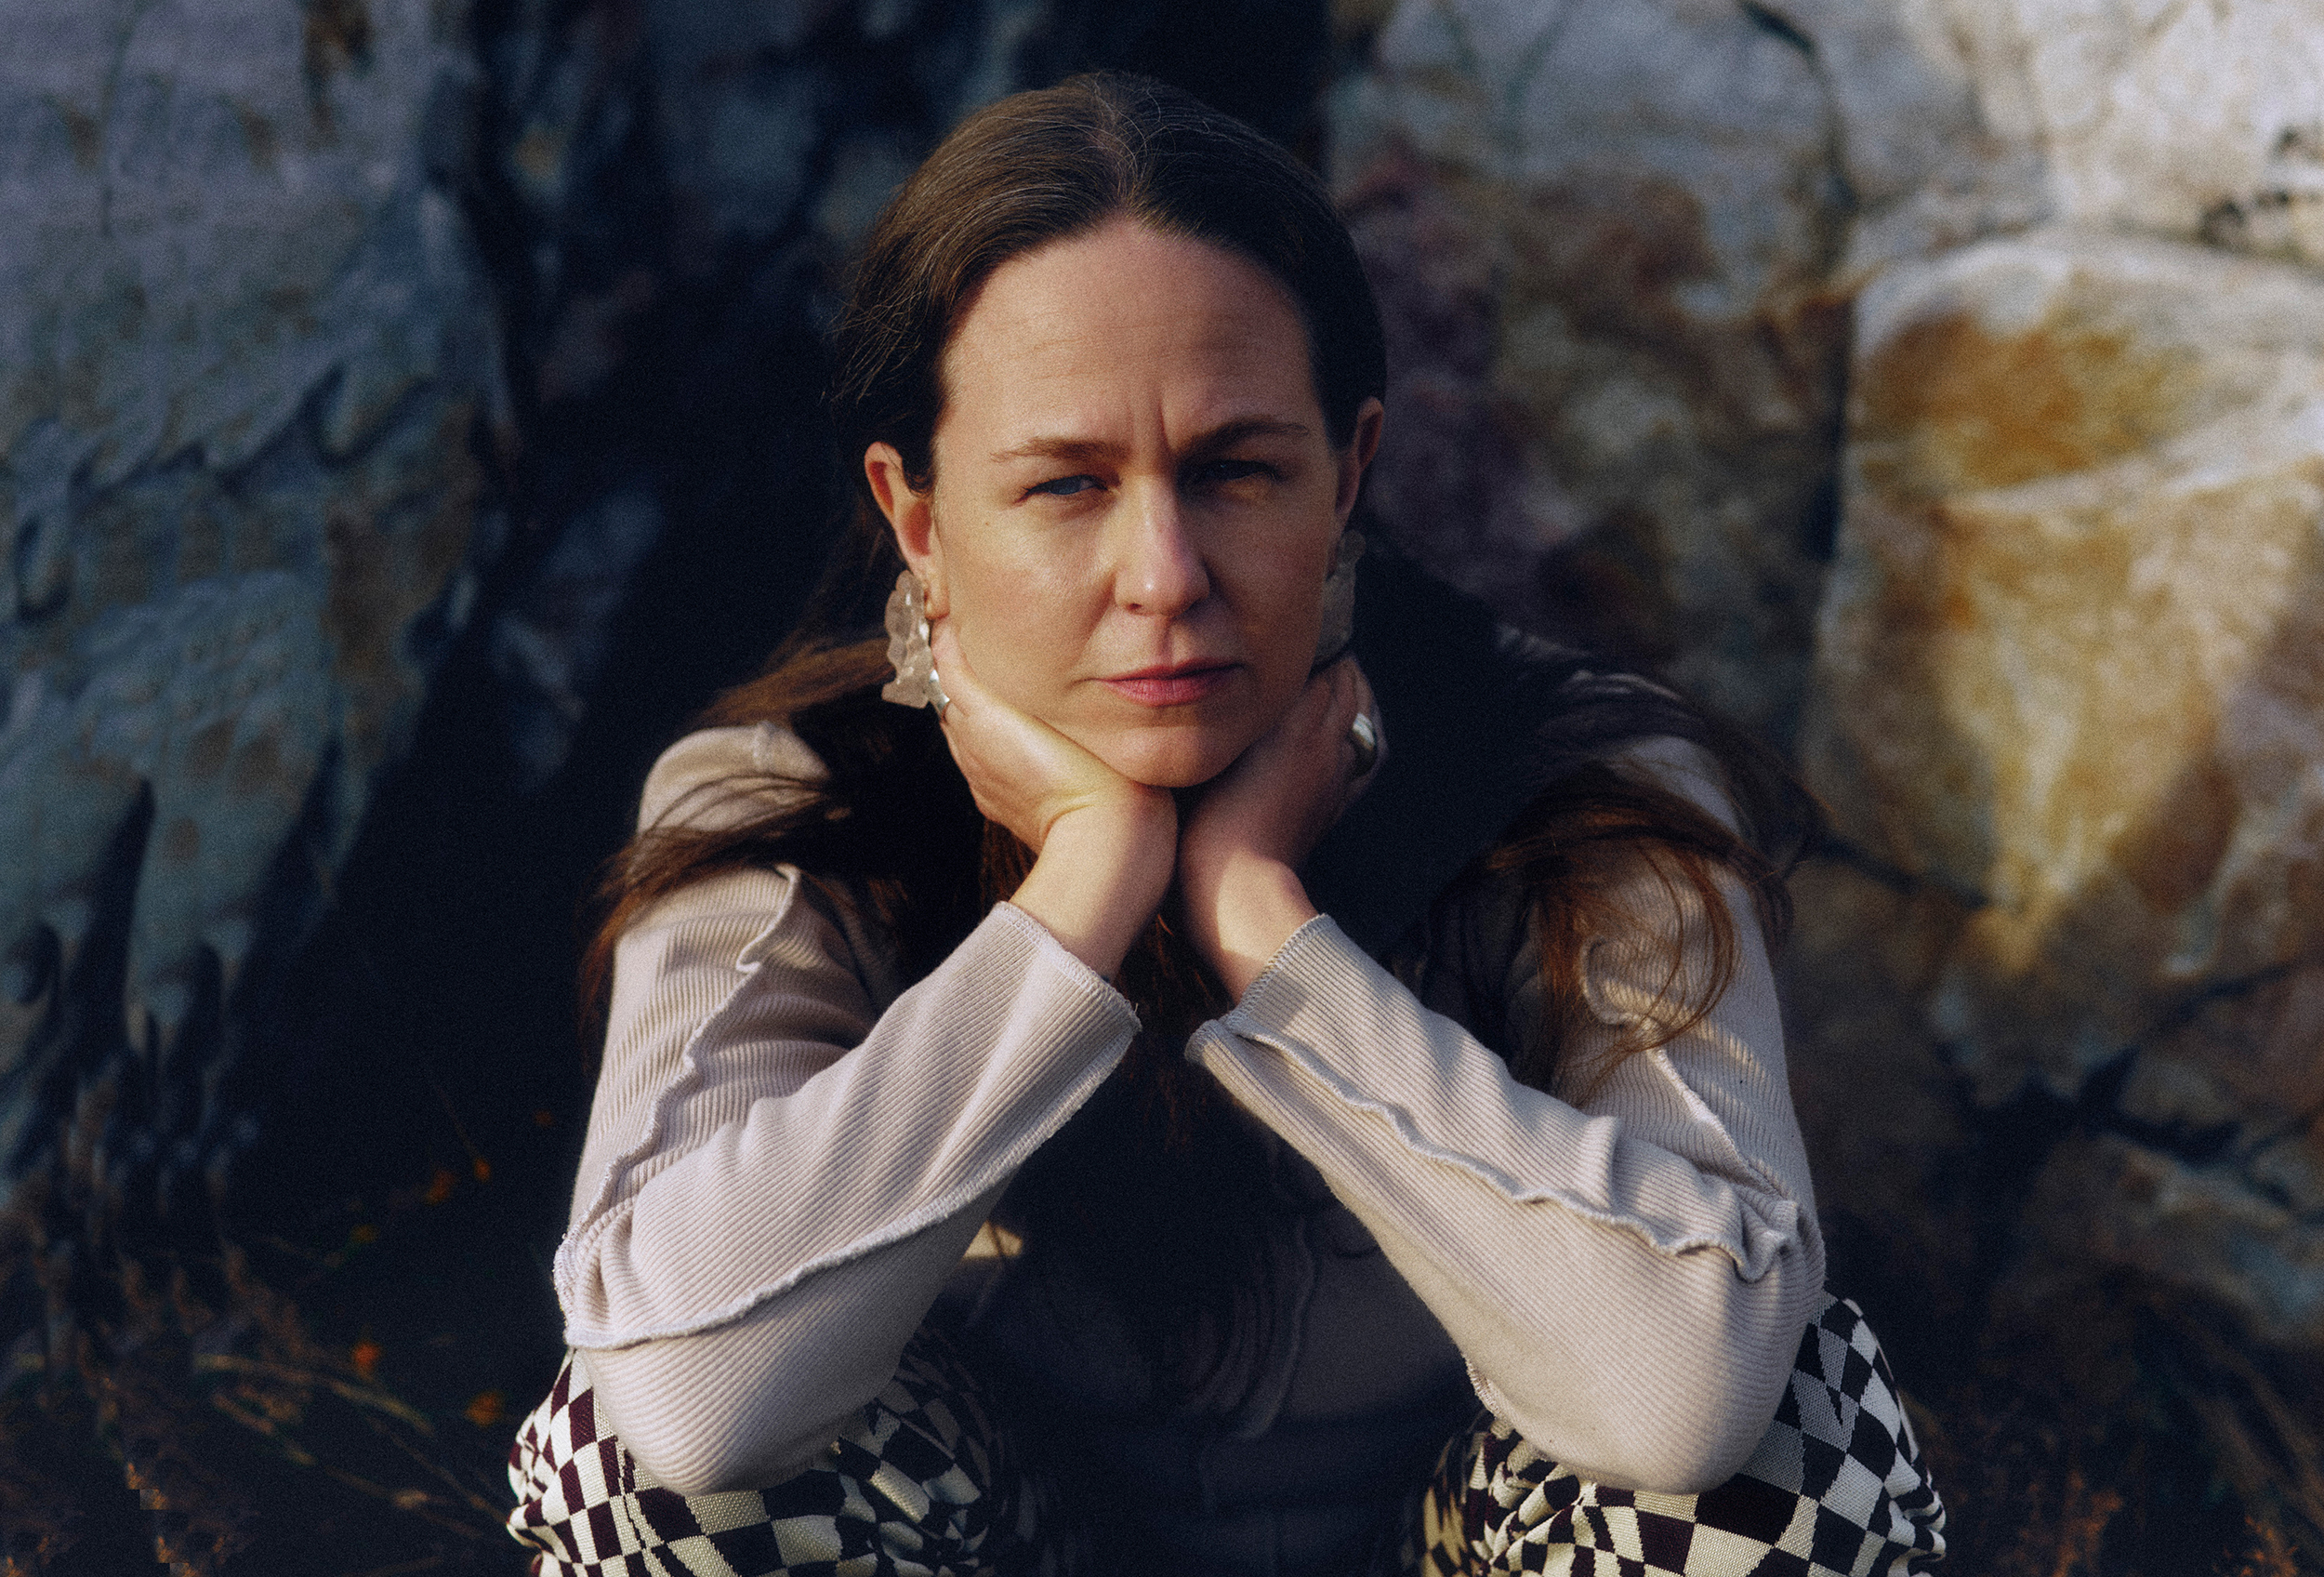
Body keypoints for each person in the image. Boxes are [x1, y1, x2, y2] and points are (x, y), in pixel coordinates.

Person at [505, 73, 1947, 1577]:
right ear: (919, 520)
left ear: (1353, 476)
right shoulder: (793, 803)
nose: (1167, 574)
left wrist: (1273, 939)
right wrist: (1077, 901)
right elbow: (681, 1398)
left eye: (1237, 471)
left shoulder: (1581, 787)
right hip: (1010, 1543)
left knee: (1788, 1461)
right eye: (1066, 484)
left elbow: (1688, 1394)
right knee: (650, 1493)